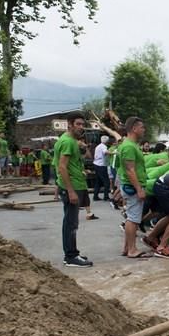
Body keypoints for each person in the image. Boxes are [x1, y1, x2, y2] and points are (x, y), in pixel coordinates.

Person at [54, 112, 93, 268]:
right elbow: (62, 167)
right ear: (69, 124)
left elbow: (63, 166)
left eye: (83, 124)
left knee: (71, 222)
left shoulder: (68, 141)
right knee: (71, 223)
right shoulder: (68, 142)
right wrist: (70, 190)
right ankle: (70, 256)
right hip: (72, 187)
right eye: (78, 124)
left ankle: (72, 253)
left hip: (75, 184)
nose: (81, 127)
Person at [118, 117, 152, 259]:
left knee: (132, 217)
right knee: (133, 219)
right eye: (142, 127)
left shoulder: (131, 145)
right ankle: (132, 249)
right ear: (134, 129)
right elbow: (130, 170)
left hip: (132, 186)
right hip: (132, 187)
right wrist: (139, 189)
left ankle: (127, 248)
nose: (144, 130)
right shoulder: (129, 147)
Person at [93, 136, 110, 201]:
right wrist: (114, 153)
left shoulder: (98, 146)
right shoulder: (104, 146)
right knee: (106, 182)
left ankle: (95, 196)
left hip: (96, 164)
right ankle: (106, 196)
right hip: (101, 165)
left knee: (98, 181)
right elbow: (105, 152)